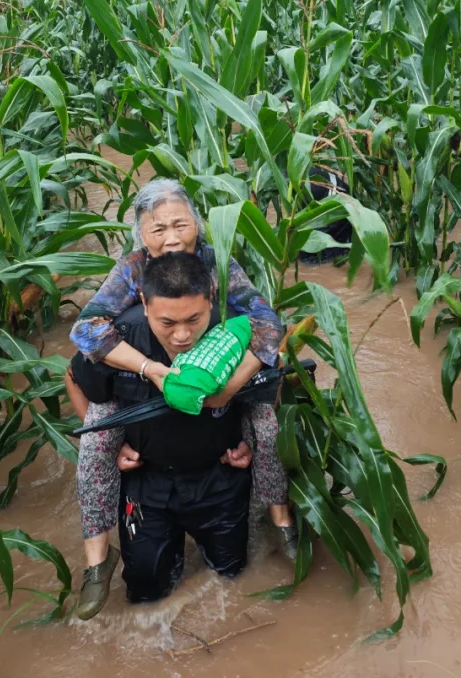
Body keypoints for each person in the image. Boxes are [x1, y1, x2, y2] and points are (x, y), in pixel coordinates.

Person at [66, 178, 294, 620]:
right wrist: (149, 369)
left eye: (180, 225)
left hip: (220, 379)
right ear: (141, 235)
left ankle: (279, 513)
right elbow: (86, 331)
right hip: (138, 373)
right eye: (158, 229)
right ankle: (96, 558)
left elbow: (269, 326)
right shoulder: (131, 270)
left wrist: (228, 392)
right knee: (94, 442)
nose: (171, 239)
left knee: (266, 426)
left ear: (198, 225)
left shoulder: (217, 265)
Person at [70, 252, 255, 604]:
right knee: (145, 590)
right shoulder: (118, 337)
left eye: (194, 319)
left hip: (219, 477)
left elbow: (267, 384)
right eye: (167, 322)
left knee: (232, 575)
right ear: (143, 303)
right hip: (146, 484)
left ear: (211, 297)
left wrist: (249, 441)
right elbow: (74, 379)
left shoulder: (235, 330)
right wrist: (111, 442)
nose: (182, 335)